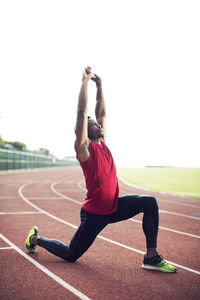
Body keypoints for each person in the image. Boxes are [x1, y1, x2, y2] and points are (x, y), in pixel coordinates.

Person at [25, 67, 176, 273]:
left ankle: (151, 257)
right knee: (71, 255)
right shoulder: (84, 149)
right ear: (85, 132)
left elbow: (102, 111)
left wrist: (100, 85)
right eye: (93, 123)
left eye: (97, 122)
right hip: (94, 214)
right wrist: (85, 82)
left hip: (113, 207)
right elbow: (81, 113)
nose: (98, 123)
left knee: (150, 203)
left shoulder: (103, 143)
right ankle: (35, 238)